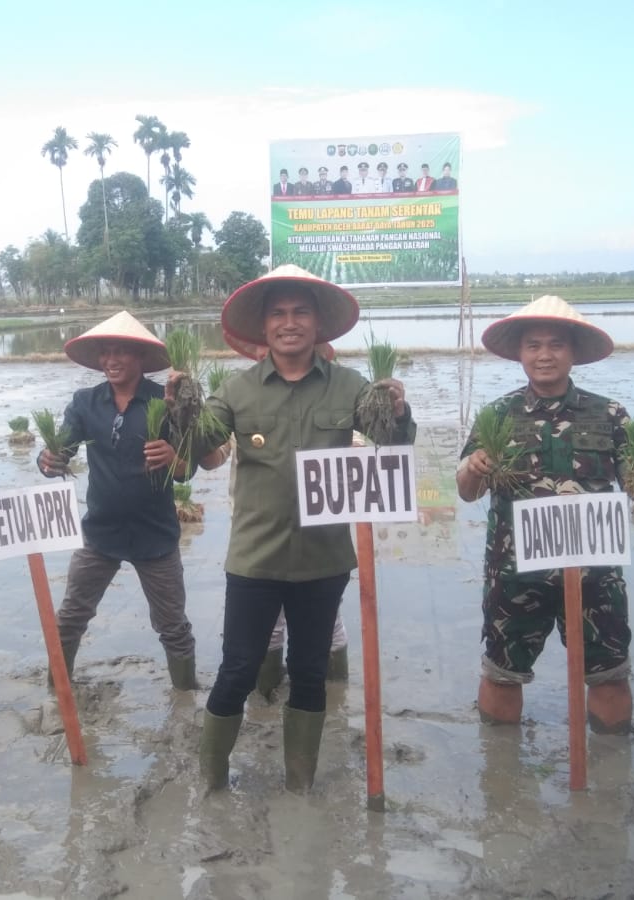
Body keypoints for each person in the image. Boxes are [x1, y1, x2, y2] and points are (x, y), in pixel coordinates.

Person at [192, 265, 414, 792]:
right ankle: (212, 777)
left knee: (311, 672)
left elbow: (392, 449)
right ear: (265, 327)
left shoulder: (351, 386)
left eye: (300, 312)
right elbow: (202, 454)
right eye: (278, 314)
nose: (289, 323)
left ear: (317, 325)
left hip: (323, 561)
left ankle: (300, 783)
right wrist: (181, 414)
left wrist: (398, 412)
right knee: (238, 670)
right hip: (255, 559)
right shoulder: (236, 391)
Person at [456, 296, 634, 734]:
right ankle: (501, 765)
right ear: (520, 353)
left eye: (555, 345)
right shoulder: (497, 414)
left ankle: (610, 774)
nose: (544, 355)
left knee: (609, 674)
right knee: (502, 672)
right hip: (514, 575)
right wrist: (473, 469)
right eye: (533, 345)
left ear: (573, 353)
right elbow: (467, 491)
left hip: (595, 573)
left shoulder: (609, 414)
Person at [37, 311, 200, 690]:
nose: (111, 360)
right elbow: (62, 449)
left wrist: (172, 459)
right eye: (106, 353)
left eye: (121, 352)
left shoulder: (165, 401)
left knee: (173, 624)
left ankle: (185, 696)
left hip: (155, 535)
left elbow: (187, 469)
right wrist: (48, 460)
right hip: (100, 533)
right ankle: (56, 691)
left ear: (140, 357)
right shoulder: (85, 402)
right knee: (71, 617)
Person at [219, 329, 351, 696]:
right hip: (257, 531)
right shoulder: (240, 395)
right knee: (265, 633)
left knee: (324, 635)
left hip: (319, 544)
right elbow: (214, 453)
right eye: (261, 347)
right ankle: (266, 691)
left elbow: (359, 453)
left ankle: (335, 688)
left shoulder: (337, 392)